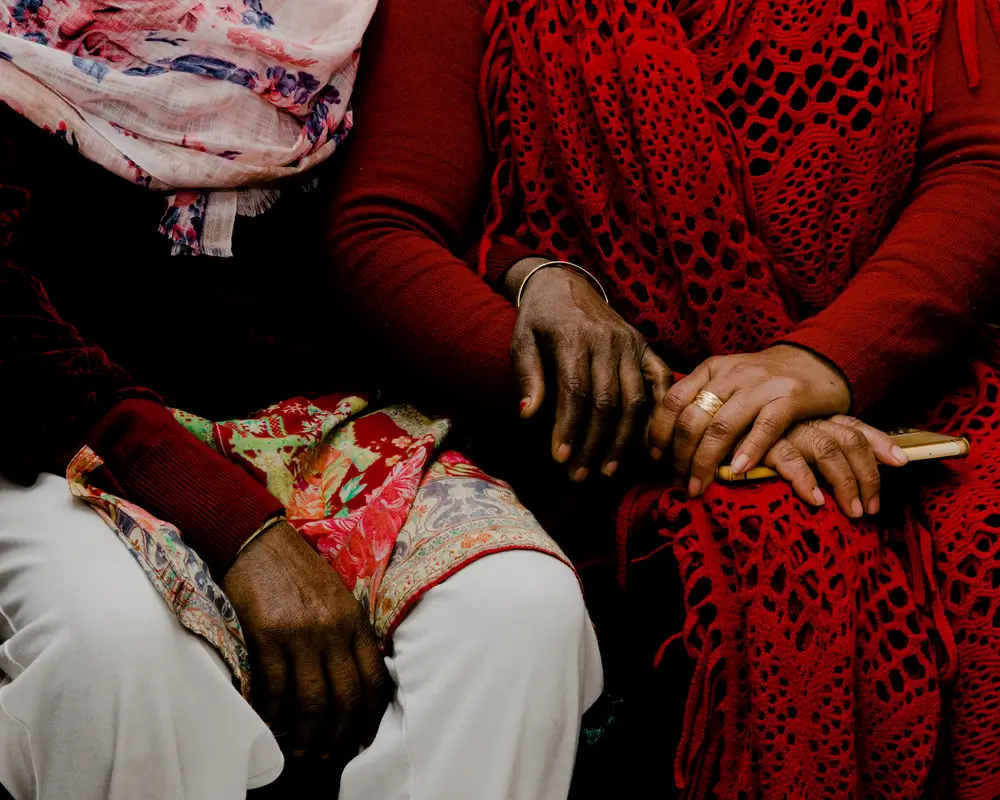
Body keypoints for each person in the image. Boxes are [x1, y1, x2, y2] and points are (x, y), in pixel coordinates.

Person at [326, 0, 1000, 795]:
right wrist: (688, 413)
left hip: (910, 380)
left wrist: (821, 362)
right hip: (612, 434)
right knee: (778, 550)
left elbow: (978, 161)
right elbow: (385, 231)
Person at [0, 1, 603, 798]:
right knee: (120, 649)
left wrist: (535, 274)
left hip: (319, 426)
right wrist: (243, 533)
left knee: (521, 616)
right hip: (57, 434)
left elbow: (409, 209)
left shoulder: (345, 16)